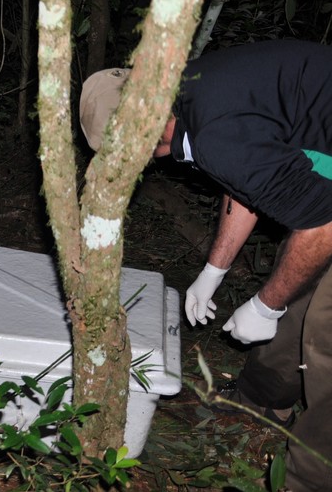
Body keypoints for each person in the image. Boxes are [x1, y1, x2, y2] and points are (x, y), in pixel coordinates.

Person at [80, 40, 332, 491]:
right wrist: (213, 270)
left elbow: (321, 226)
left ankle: (309, 478)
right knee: (298, 285)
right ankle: (260, 401)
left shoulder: (213, 131)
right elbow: (247, 177)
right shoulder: (196, 89)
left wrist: (266, 306)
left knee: (325, 332)